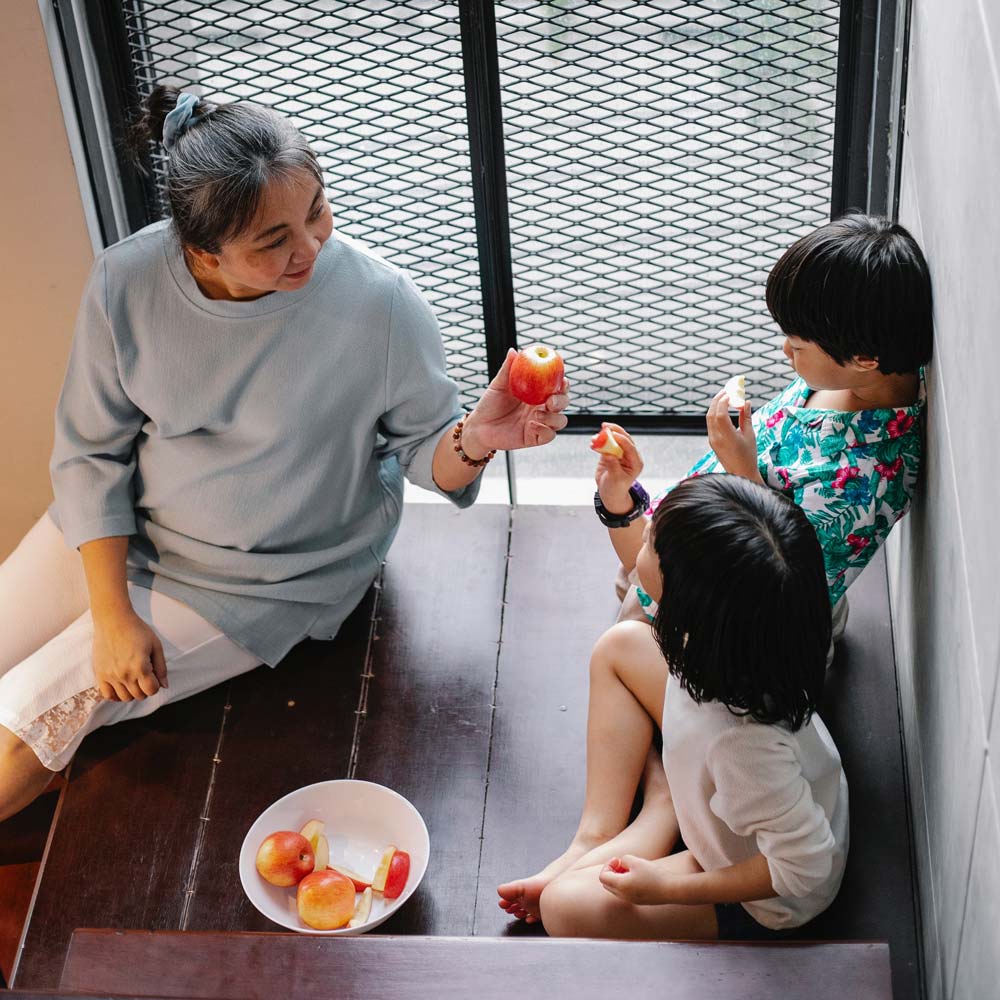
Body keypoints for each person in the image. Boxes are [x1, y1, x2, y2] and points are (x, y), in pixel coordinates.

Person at [0, 87, 569, 823]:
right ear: (201, 250)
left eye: (317, 211)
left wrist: (478, 438)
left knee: (22, 725)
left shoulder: (380, 302)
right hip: (123, 533)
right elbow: (89, 455)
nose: (309, 248)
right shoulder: (124, 281)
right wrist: (112, 614)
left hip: (263, 580)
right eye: (272, 241)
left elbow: (430, 456)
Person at [498, 474, 848, 939]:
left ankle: (663, 812)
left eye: (652, 544)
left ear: (687, 603)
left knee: (562, 907)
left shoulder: (743, 747)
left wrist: (665, 887)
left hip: (758, 892)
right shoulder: (745, 637)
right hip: (722, 789)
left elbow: (807, 866)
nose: (645, 533)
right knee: (620, 646)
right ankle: (605, 832)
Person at [600, 215, 933, 638]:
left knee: (625, 633)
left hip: (745, 620)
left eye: (797, 346)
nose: (784, 351)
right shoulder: (850, 377)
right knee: (631, 578)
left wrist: (743, 470)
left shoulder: (872, 476)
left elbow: (782, 583)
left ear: (865, 357)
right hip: (700, 537)